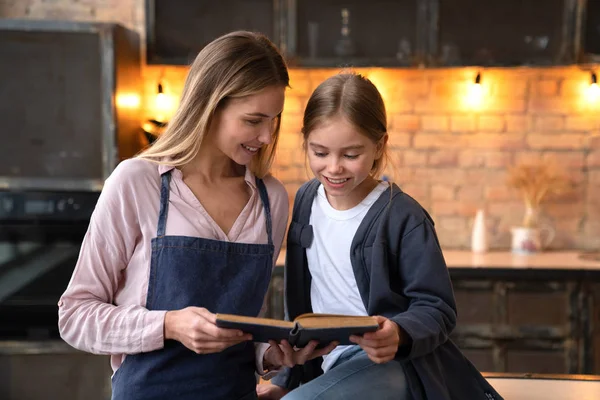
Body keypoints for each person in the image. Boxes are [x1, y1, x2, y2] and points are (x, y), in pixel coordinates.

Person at [58, 31, 295, 400]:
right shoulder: (138, 183)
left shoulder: (271, 200)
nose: (266, 136)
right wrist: (168, 324)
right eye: (253, 120)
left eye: (274, 120)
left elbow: (250, 323)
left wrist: (271, 353)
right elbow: (75, 317)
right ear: (209, 105)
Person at [257, 73, 503, 400]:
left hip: (390, 364)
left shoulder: (403, 216)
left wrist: (399, 333)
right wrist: (285, 381)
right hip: (330, 364)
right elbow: (302, 303)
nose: (333, 168)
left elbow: (437, 308)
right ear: (305, 143)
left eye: (350, 154)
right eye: (320, 152)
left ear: (379, 146)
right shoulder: (305, 200)